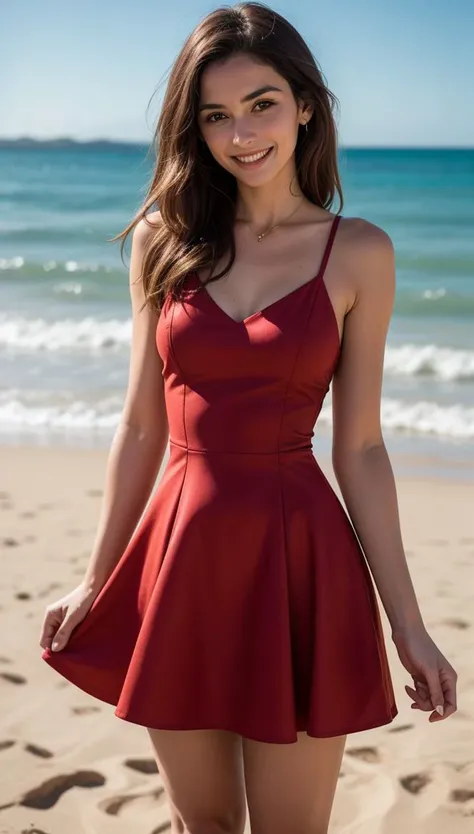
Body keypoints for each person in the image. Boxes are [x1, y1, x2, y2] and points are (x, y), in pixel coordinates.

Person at [40, 3, 458, 832]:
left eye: (262, 103)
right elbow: (140, 426)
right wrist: (97, 573)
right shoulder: (165, 239)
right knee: (206, 826)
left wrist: (407, 623)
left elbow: (364, 446)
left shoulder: (360, 251)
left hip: (301, 557)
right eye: (216, 115)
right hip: (180, 553)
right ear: (195, 129)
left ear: (306, 104)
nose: (242, 133)